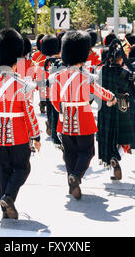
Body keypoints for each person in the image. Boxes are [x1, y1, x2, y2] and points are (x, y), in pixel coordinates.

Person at [0, 28, 41, 220]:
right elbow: (29, 113)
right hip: (20, 136)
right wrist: (36, 136)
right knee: (23, 168)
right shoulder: (23, 85)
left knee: (3, 173)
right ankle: (9, 197)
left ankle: (4, 209)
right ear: (16, 61)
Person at [49, 30, 116, 200]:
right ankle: (76, 176)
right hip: (84, 117)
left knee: (70, 153)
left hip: (64, 119)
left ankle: (71, 178)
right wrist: (112, 98)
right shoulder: (87, 77)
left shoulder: (57, 77)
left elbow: (54, 99)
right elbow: (100, 92)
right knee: (87, 151)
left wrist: (62, 111)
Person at [97, 40, 135, 180]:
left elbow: (94, 90)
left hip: (105, 108)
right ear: (121, 58)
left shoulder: (101, 71)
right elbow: (134, 90)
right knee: (124, 141)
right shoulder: (126, 73)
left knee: (109, 139)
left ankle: (112, 170)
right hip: (122, 107)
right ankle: (116, 157)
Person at [40, 34, 63, 149]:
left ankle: (49, 122)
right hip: (57, 88)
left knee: (50, 108)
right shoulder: (60, 61)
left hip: (46, 88)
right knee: (58, 110)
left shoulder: (43, 60)